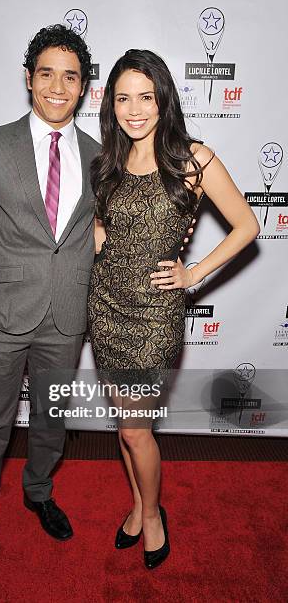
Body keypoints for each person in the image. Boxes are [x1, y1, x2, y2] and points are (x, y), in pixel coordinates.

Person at [87, 49, 260, 570]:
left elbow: (247, 226)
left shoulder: (193, 158)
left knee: (137, 429)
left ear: (164, 99)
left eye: (146, 96)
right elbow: (101, 233)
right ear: (110, 104)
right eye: (123, 98)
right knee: (125, 426)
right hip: (106, 308)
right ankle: (139, 504)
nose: (134, 109)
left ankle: (154, 514)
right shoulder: (107, 162)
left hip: (154, 317)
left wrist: (194, 272)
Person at [0, 24, 100, 577]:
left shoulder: (100, 157)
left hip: (66, 316)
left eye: (71, 76)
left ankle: (38, 492)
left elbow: (100, 234)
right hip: (1, 316)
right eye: (47, 73)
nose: (58, 86)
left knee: (51, 418)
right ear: (28, 79)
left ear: (85, 87)